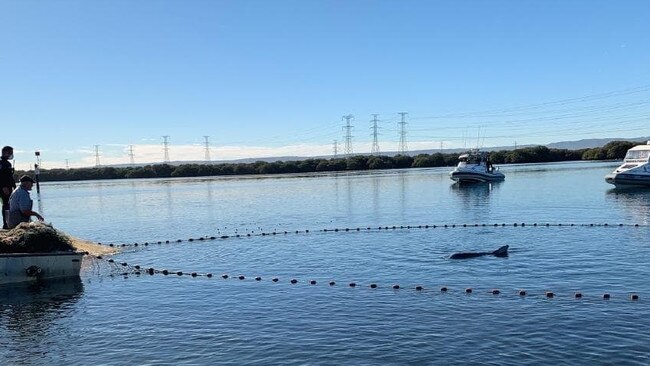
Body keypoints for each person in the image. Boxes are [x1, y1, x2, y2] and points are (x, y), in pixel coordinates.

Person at [0, 146, 16, 229]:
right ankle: (5, 224)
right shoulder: (1, 163)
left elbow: (10, 177)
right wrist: (3, 187)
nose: (11, 154)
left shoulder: (8, 163)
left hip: (9, 187)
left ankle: (9, 222)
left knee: (9, 205)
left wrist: (14, 186)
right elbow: (1, 176)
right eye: (10, 152)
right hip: (4, 187)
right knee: (6, 205)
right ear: (5, 152)